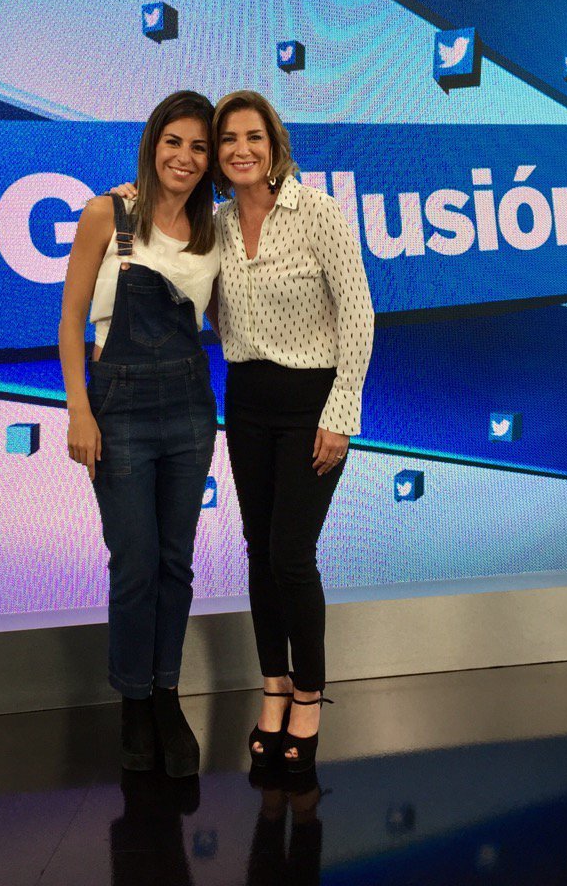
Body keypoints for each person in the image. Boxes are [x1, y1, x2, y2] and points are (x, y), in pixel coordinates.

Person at [58, 90, 219, 777]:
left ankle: (167, 698)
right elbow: (70, 320)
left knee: (176, 564)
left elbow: (224, 318)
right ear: (153, 143)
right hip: (117, 407)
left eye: (200, 147)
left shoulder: (215, 228)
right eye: (174, 141)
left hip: (189, 408)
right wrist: (79, 411)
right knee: (135, 563)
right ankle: (133, 702)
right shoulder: (109, 213)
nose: (185, 157)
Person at [212, 90, 374, 772]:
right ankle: (273, 686)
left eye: (253, 136)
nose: (241, 149)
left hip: (312, 404)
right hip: (246, 401)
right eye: (228, 139)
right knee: (258, 551)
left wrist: (340, 414)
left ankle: (308, 693)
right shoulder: (216, 224)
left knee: (290, 555)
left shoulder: (319, 211)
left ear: (274, 144)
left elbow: (359, 311)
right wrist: (126, 203)